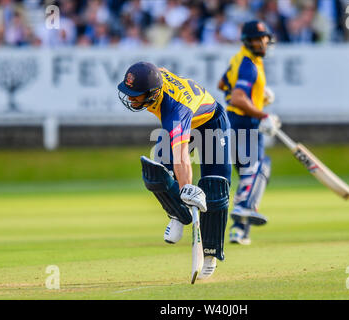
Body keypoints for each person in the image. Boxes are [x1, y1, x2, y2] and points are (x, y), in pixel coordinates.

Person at [117, 62, 231, 280]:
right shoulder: (155, 81)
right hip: (188, 117)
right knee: (155, 172)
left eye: (136, 94)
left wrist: (187, 188)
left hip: (212, 124)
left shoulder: (175, 111)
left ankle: (210, 253)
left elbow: (181, 157)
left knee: (215, 189)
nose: (131, 98)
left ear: (153, 93)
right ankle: (178, 213)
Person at [218, 20, 281, 245]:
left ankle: (239, 231)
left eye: (262, 39)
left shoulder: (241, 59)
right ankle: (243, 210)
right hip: (244, 122)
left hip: (232, 121)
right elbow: (237, 97)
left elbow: (222, 83)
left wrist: (259, 96)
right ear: (248, 41)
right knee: (258, 167)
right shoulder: (248, 64)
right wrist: (262, 115)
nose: (261, 43)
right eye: (257, 40)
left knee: (247, 172)